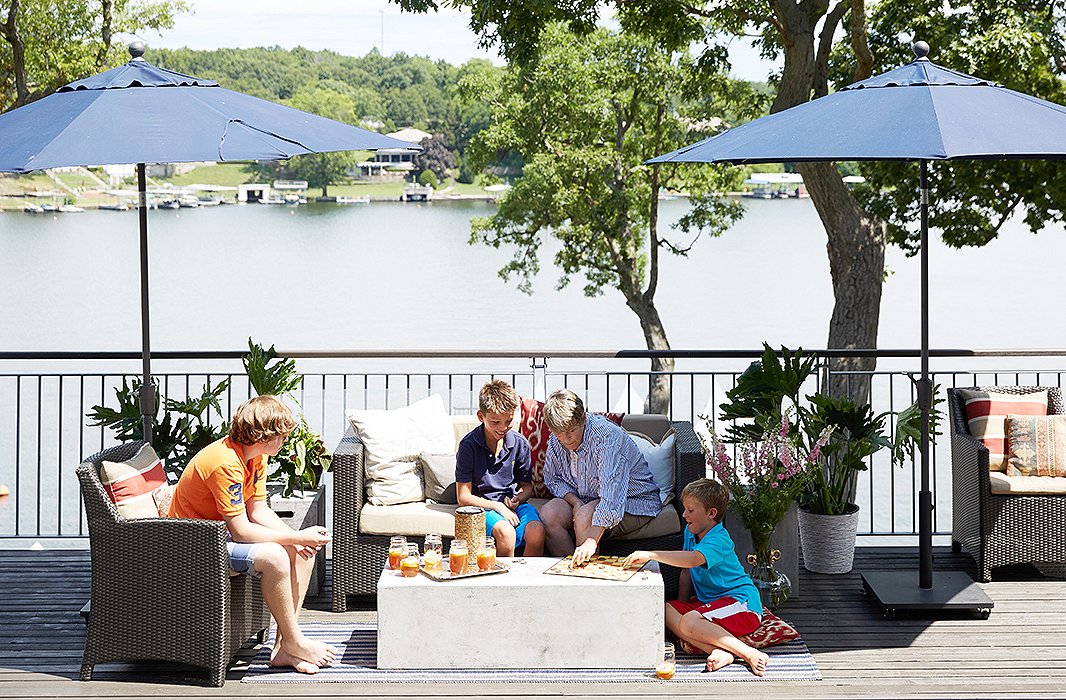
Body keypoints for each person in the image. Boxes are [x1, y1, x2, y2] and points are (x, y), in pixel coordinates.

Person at [169, 395, 337, 675]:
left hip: (221, 536)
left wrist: (299, 540)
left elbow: (258, 510)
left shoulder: (254, 457)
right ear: (263, 435)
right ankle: (296, 642)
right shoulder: (226, 463)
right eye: (281, 434)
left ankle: (285, 646)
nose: (285, 440)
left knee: (303, 555)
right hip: (194, 544)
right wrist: (296, 537)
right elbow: (241, 530)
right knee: (274, 557)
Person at [623, 478, 769, 676]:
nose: (684, 515)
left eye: (690, 510)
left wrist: (650, 554)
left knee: (689, 622)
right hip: (710, 607)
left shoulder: (719, 539)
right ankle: (721, 652)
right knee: (665, 608)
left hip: (741, 604)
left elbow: (692, 560)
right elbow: (686, 572)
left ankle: (748, 653)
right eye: (684, 509)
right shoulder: (691, 532)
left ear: (711, 513)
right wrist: (681, 608)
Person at [539, 388, 662, 565]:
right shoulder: (556, 438)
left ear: (582, 419)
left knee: (583, 517)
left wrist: (590, 542)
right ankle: (569, 571)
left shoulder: (606, 438)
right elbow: (553, 480)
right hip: (587, 499)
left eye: (571, 431)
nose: (566, 440)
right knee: (548, 514)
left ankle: (589, 583)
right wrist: (576, 502)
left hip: (633, 500)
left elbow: (610, 500)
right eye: (559, 434)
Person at [455, 380, 545, 556]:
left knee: (537, 532)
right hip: (484, 507)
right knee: (506, 533)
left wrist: (518, 499)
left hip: (512, 505)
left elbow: (526, 487)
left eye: (509, 421)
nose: (503, 428)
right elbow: (463, 496)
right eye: (496, 422)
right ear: (481, 417)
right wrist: (498, 507)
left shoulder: (520, 444)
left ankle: (528, 580)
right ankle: (507, 582)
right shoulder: (468, 446)